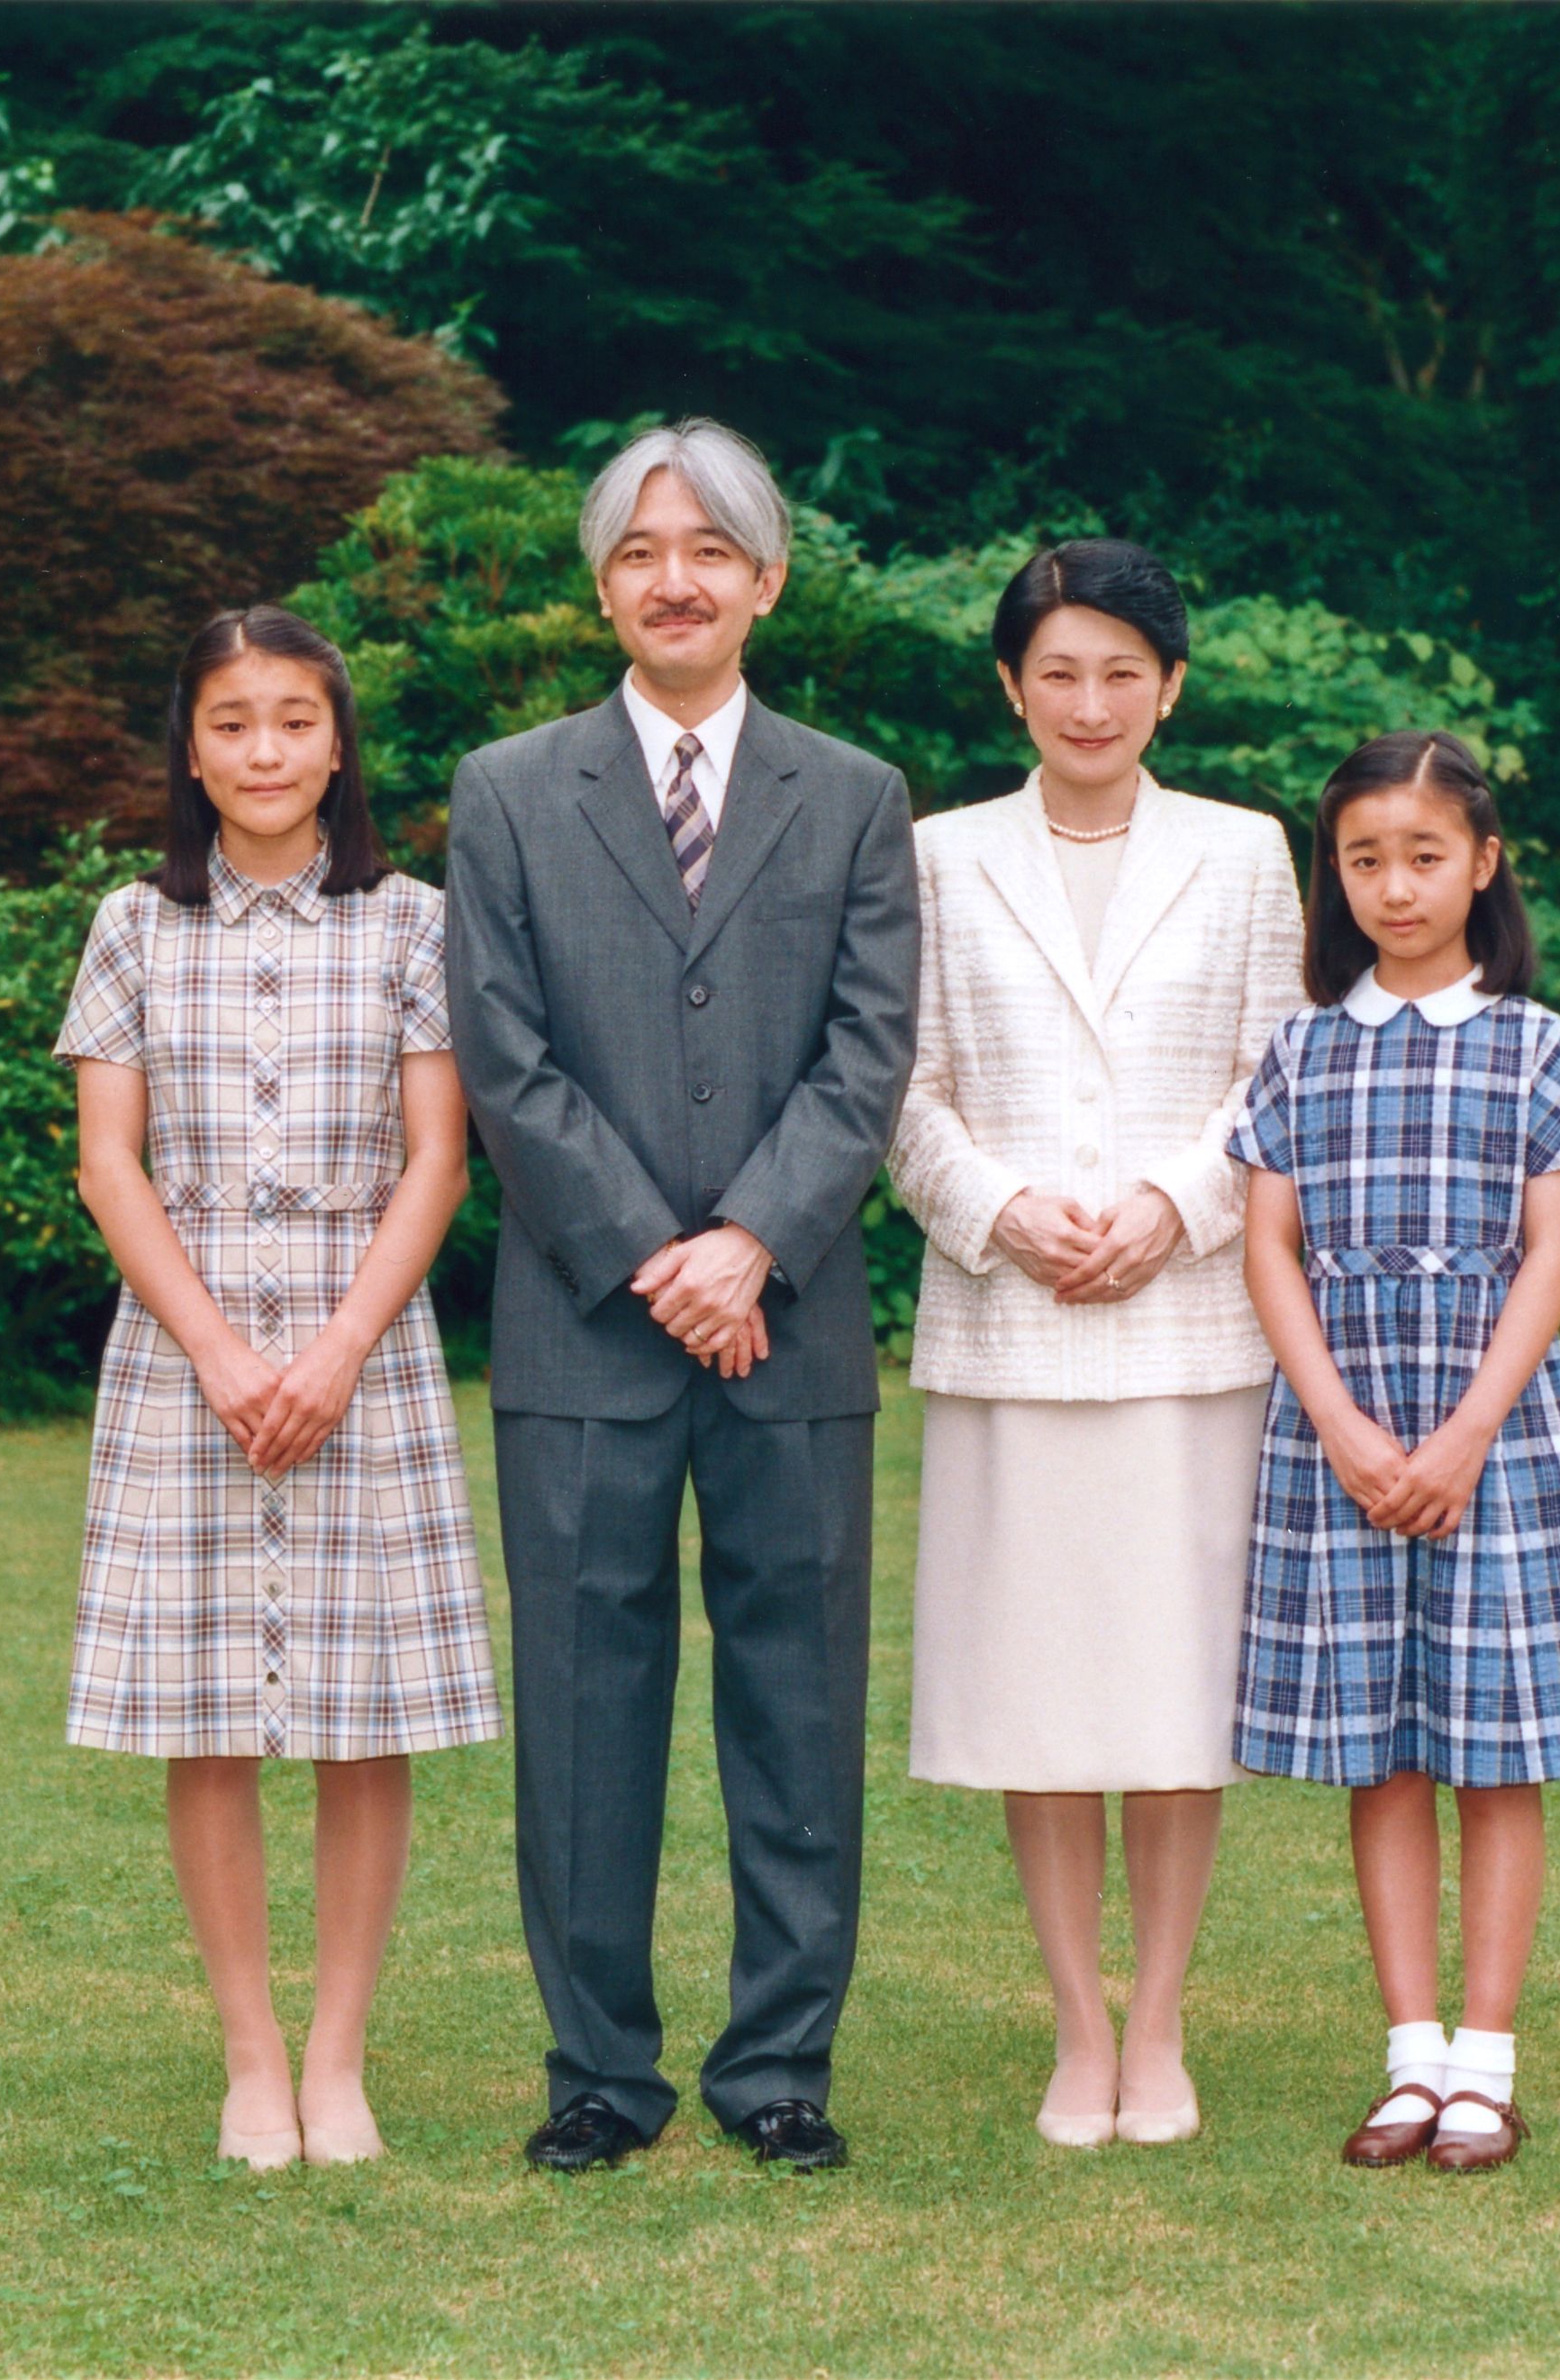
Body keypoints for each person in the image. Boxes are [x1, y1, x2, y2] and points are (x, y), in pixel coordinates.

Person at [446, 418, 919, 2175]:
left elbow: (867, 1057)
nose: (675, 578)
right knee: (585, 1703)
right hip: (582, 1330)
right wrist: (660, 1251)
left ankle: (779, 2062)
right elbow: (504, 1055)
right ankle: (597, 2070)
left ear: (766, 579)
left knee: (795, 1704)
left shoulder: (857, 796)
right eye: (643, 550)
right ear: (601, 587)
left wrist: (754, 1246)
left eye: (708, 549)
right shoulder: (507, 791)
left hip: (790, 1330)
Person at [55, 604, 496, 2174]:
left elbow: (438, 1157)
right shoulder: (128, 923)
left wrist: (333, 1351)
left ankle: (337, 2054)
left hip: (363, 1343)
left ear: (337, 739)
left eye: (295, 720)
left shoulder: (414, 922)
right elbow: (113, 1165)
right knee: (209, 1714)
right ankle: (249, 2054)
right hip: (185, 1351)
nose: (265, 752)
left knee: (362, 1715)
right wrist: (228, 1353)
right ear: (191, 745)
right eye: (234, 723)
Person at [886, 540, 1304, 2148]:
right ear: (1011, 684)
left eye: (1122, 670)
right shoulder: (935, 855)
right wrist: (998, 1208)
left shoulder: (1249, 851)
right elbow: (899, 1085)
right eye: (1057, 670)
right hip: (1008, 1325)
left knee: (1172, 1693)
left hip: (1191, 1328)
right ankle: (1076, 2023)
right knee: (1038, 1696)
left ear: (1172, 685)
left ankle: (1165, 2020)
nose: (1090, 700)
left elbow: (1275, 1076)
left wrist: (1171, 1202)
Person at [1228, 727, 1560, 2175]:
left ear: (1483, 861)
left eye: (1422, 855)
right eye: (1363, 860)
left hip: (1496, 1427)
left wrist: (1464, 1431)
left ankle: (1488, 2060)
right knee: (1382, 1748)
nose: (1394, 886)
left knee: (1492, 1743)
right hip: (1336, 1425)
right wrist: (1342, 1420)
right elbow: (1269, 1247)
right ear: (1333, 876)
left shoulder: (1539, 1044)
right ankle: (1408, 2059)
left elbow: (1553, 1254)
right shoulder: (1298, 1046)